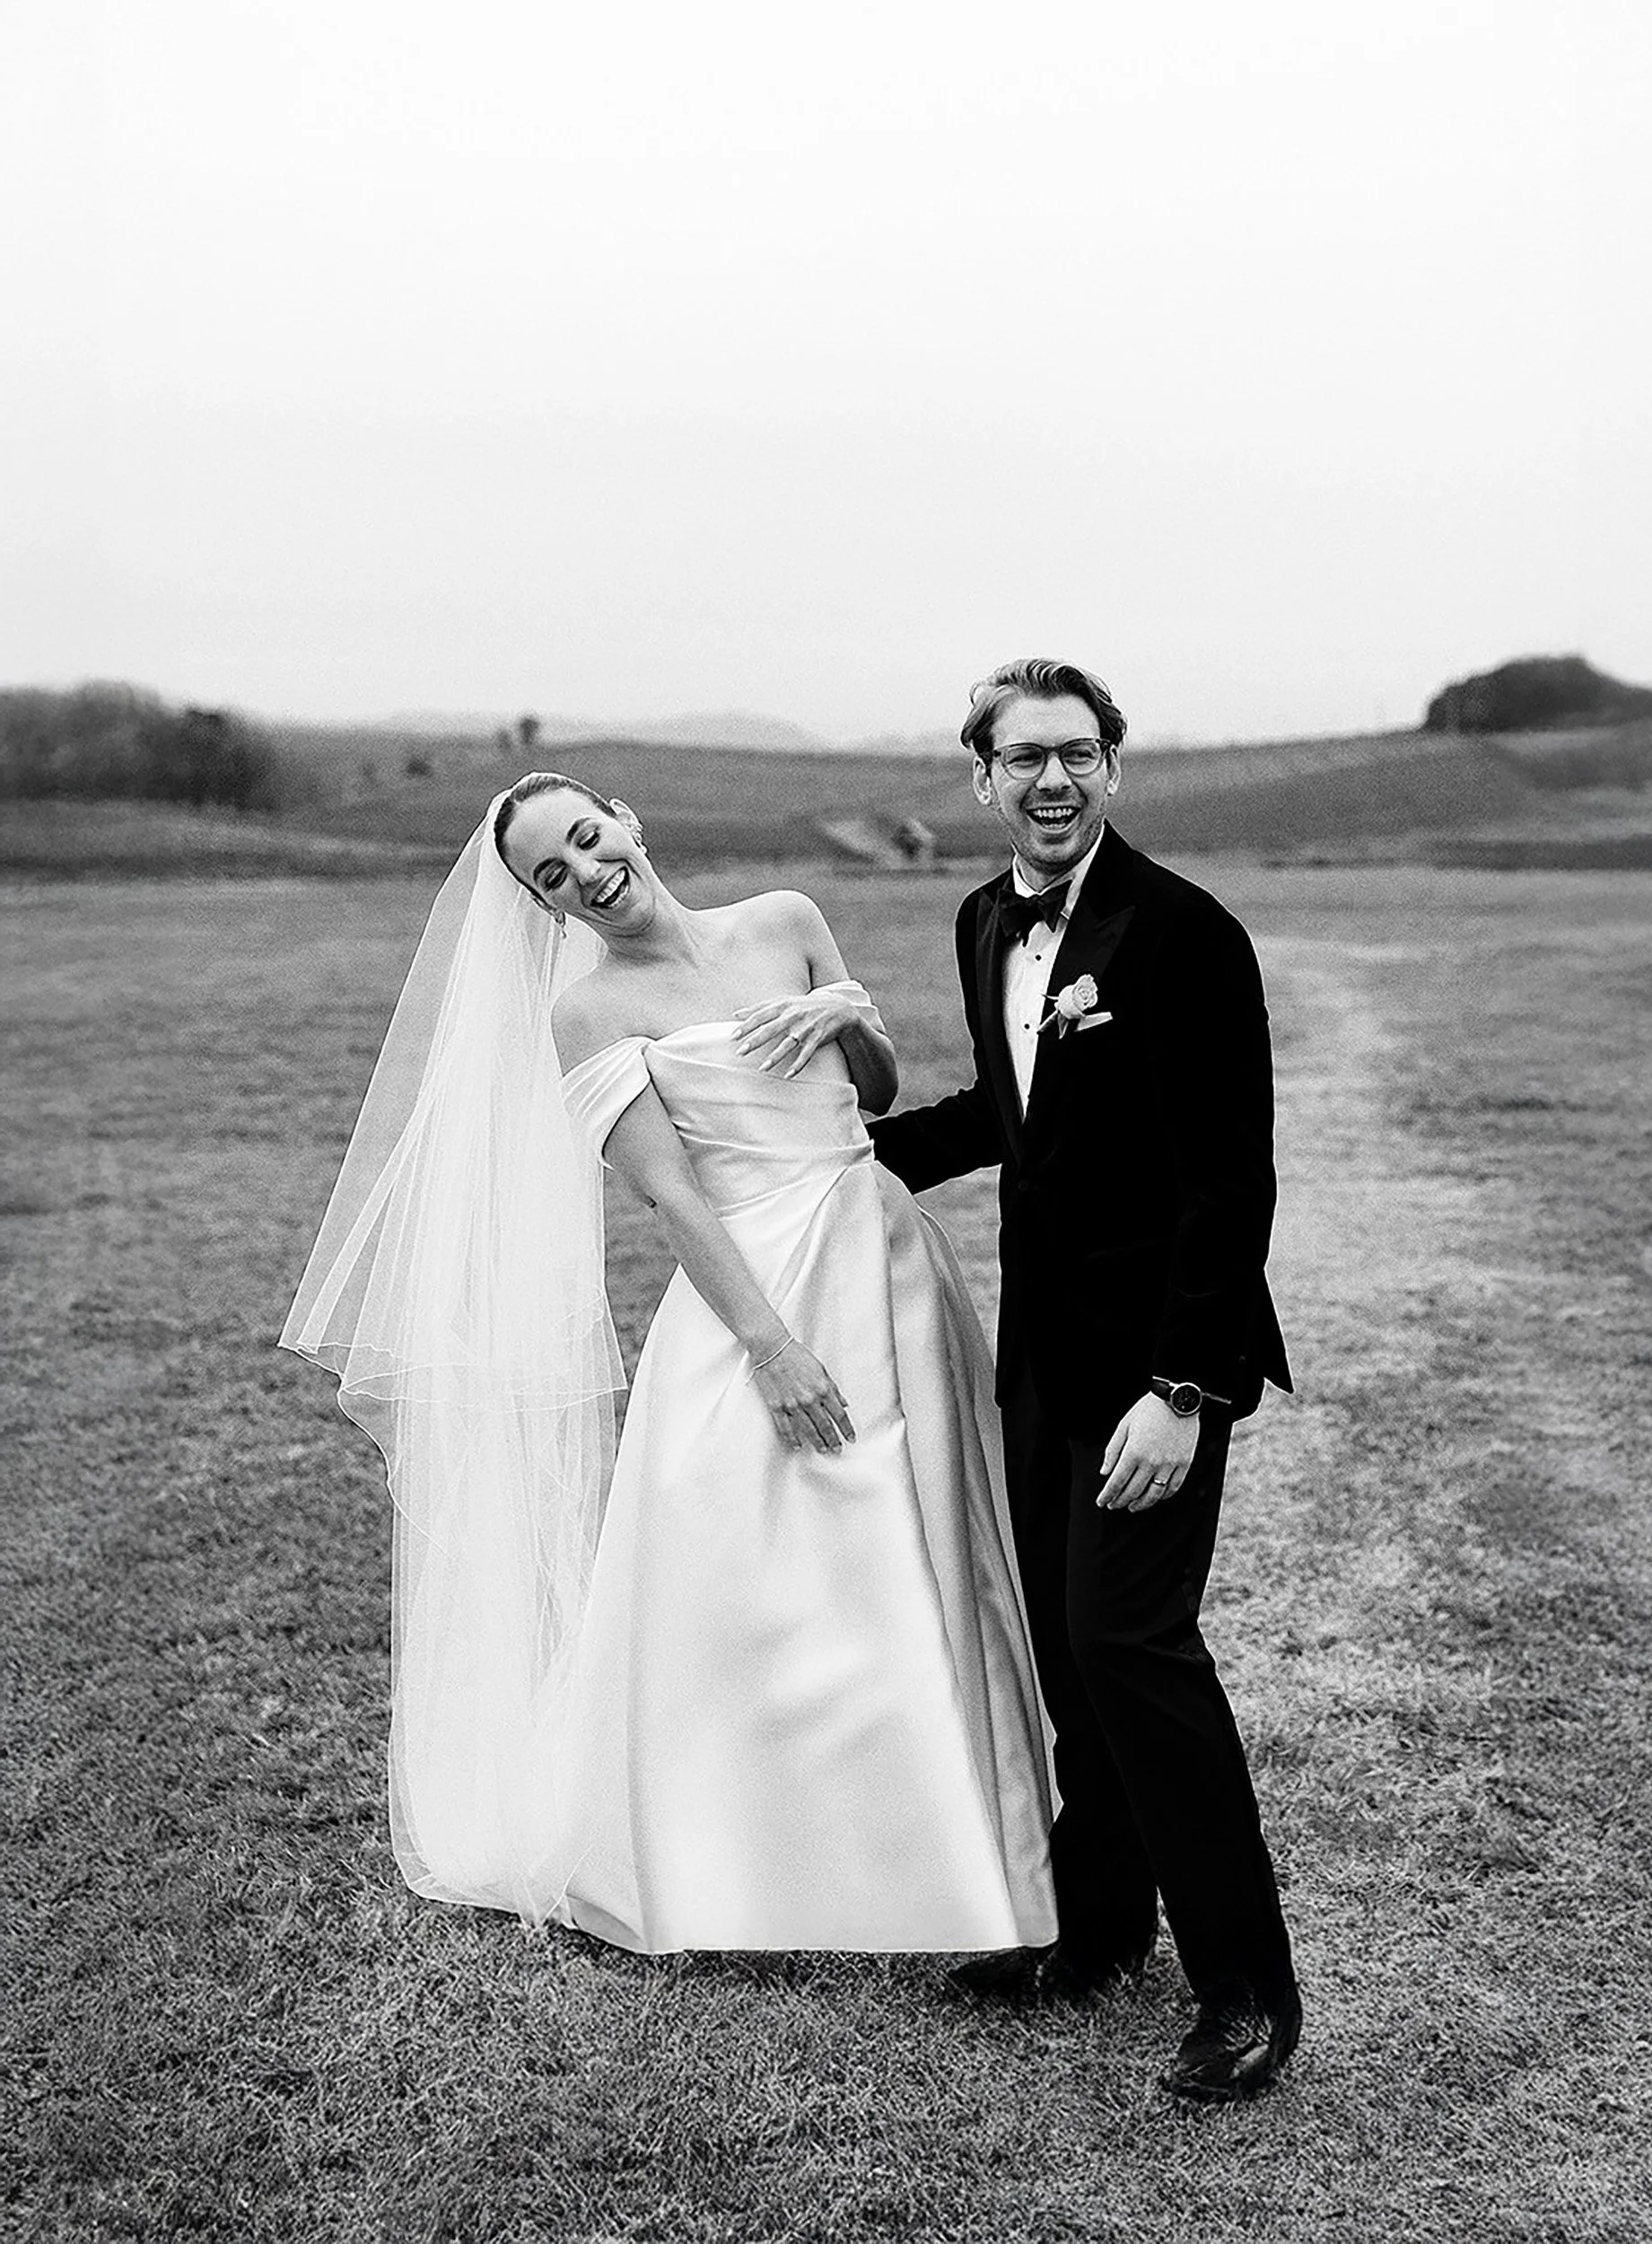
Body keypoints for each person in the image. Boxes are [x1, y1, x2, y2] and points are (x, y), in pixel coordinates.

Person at [280, 772, 1054, 1955]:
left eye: (588, 837)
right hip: (756, 1292)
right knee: (784, 1573)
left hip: (890, 1260)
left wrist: (846, 1010)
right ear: (546, 907)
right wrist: (773, 1348)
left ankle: (963, 1837)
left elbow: (870, 1094)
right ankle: (766, 1855)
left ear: (627, 823)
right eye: (553, 873)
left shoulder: (785, 918)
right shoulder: (587, 1012)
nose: (587, 871)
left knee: (929, 1534)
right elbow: (669, 1196)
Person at [869, 658, 1301, 2102]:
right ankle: (1098, 1934)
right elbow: (1014, 1109)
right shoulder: (981, 916)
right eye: (1020, 757)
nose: (1048, 780)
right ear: (978, 776)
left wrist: (1184, 1393)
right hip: (1040, 1360)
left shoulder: (1183, 933)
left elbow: (1227, 1184)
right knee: (1065, 1651)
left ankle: (1244, 1989)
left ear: (1112, 768)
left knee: (1133, 1649)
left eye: (1074, 754)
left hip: (1153, 1375)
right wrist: (816, 1157)